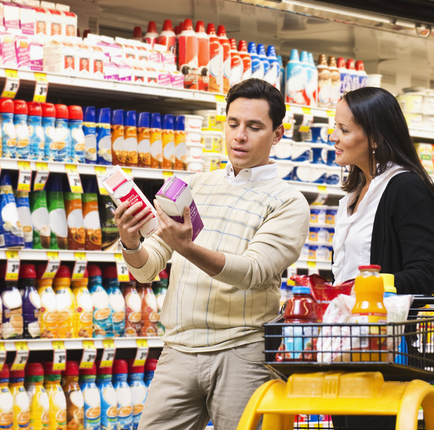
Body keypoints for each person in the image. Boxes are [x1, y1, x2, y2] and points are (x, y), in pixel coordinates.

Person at [114, 78, 311, 430]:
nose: (240, 136)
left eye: (254, 127)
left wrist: (186, 247)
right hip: (179, 349)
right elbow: (148, 268)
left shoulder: (288, 202)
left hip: (243, 351)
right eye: (233, 124)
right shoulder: (195, 186)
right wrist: (131, 243)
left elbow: (253, 272)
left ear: (278, 134)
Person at [329, 87, 434, 428]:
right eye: (335, 126)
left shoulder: (405, 188)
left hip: (383, 350)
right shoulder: (352, 194)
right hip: (345, 345)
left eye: (344, 130)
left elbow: (422, 275)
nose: (334, 136)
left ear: (375, 138)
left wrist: (366, 288)